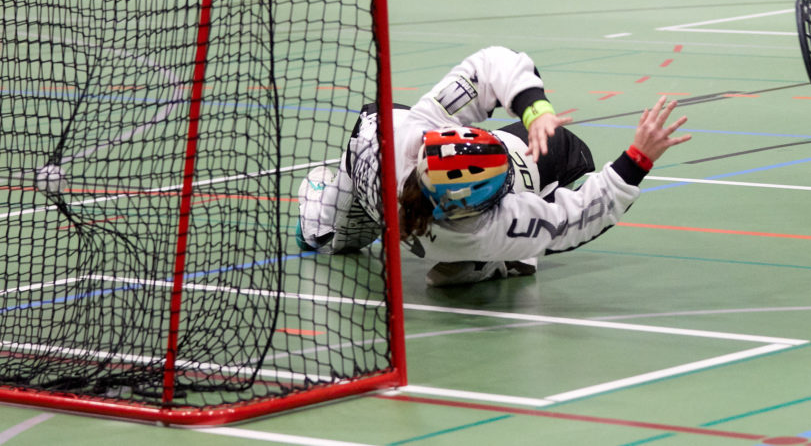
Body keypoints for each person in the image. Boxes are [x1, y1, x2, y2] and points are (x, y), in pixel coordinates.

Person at [295, 46, 690, 286]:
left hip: (367, 142)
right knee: (327, 235)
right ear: (480, 207)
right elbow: (580, 219)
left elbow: (488, 68)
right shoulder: (481, 230)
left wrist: (534, 110)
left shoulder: (410, 134)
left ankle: (328, 194)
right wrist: (639, 157)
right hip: (434, 223)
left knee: (327, 232)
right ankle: (481, 265)